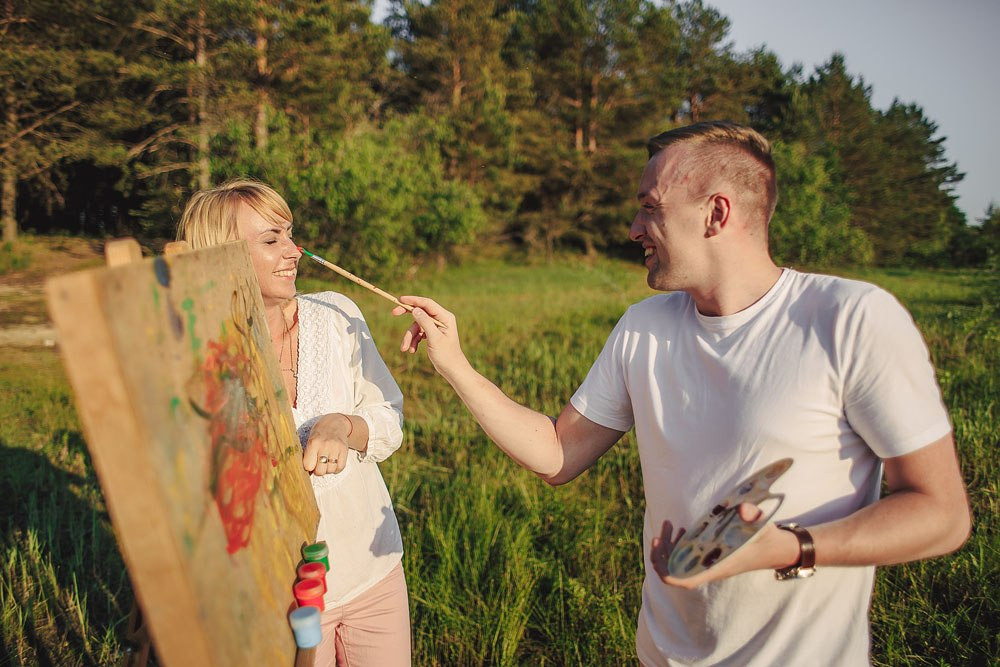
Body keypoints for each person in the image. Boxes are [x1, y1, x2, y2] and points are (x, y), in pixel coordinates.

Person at [393, 122, 971, 665]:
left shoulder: (849, 319)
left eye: (649, 208)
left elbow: (942, 515)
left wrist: (786, 548)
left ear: (716, 213)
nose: (633, 229)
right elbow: (557, 454)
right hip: (664, 655)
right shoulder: (644, 327)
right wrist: (455, 365)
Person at [177, 179, 411, 666]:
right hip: (282, 593)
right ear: (221, 256)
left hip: (375, 568)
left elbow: (388, 418)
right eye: (271, 240)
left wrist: (342, 425)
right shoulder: (205, 356)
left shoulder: (337, 312)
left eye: (289, 234)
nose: (294, 252)